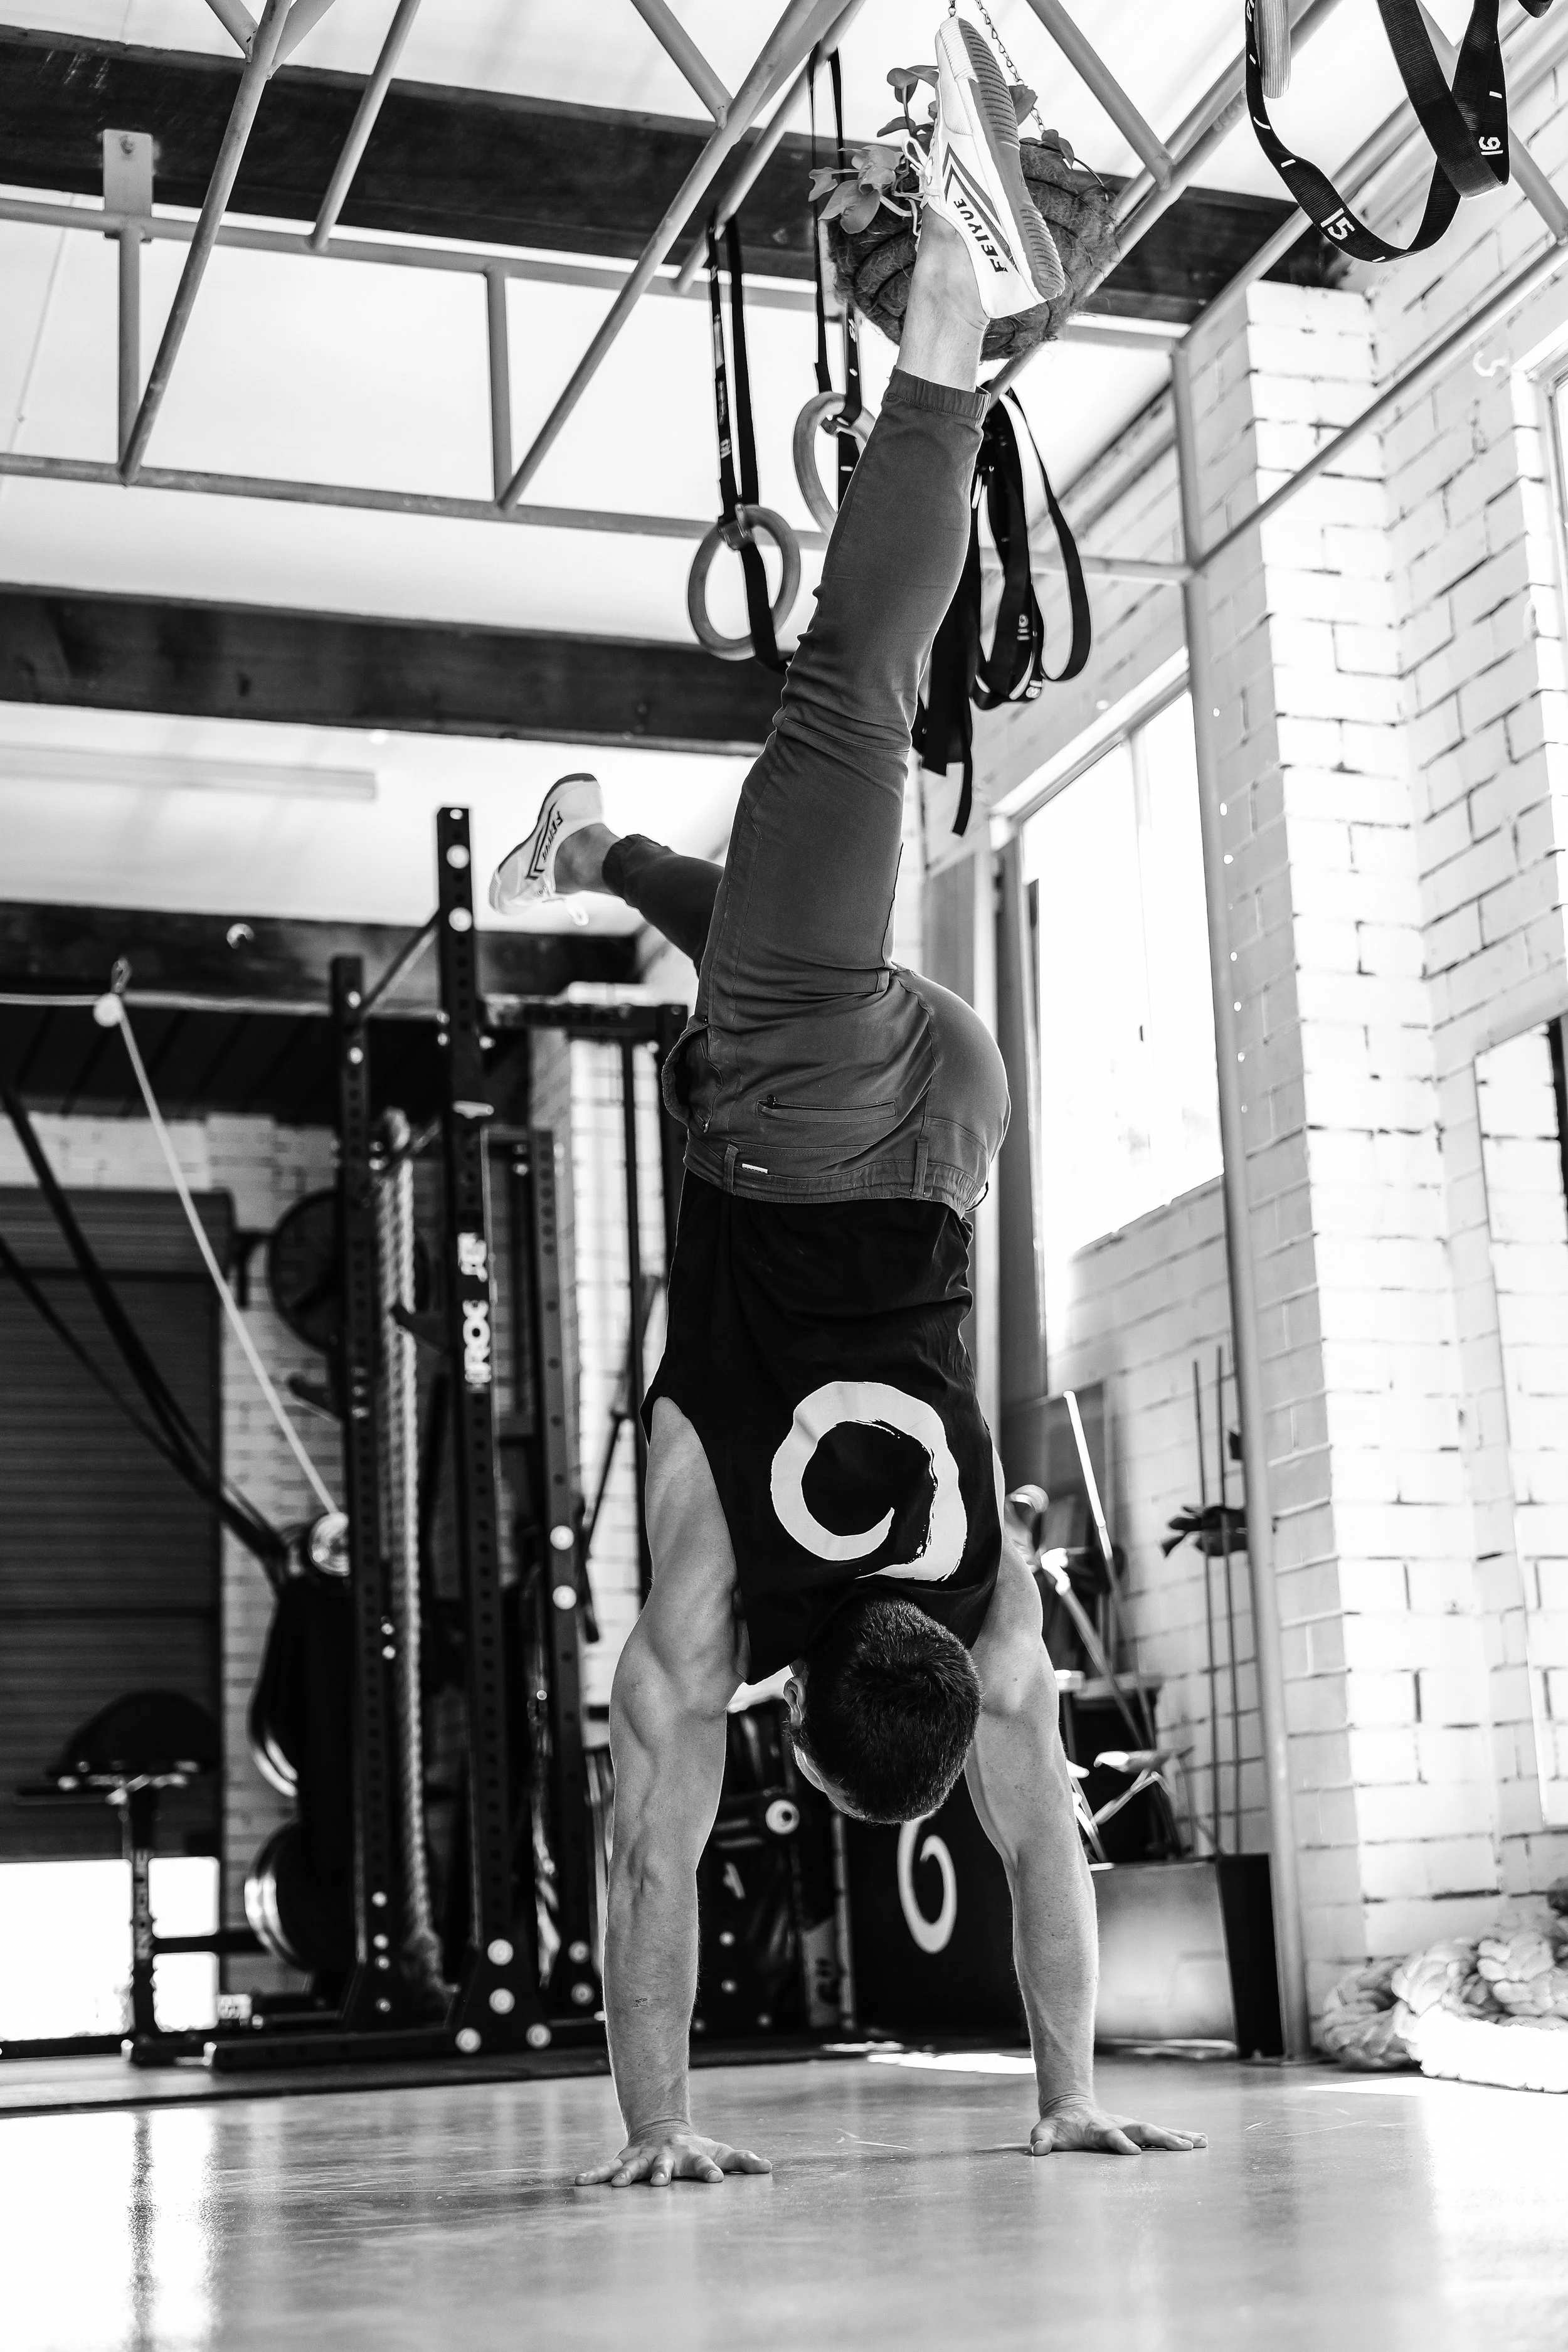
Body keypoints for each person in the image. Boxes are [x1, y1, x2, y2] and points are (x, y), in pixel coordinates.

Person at [492, 11, 1204, 2186]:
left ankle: (590, 845)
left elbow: (1043, 1848)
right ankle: (953, 314)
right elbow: (646, 1840)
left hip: (949, 1127)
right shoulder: (712, 1596)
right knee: (852, 695)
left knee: (779, 913)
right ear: (802, 1709)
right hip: (798, 1115)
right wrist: (654, 2127)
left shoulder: (994, 1617)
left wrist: (1071, 2087)